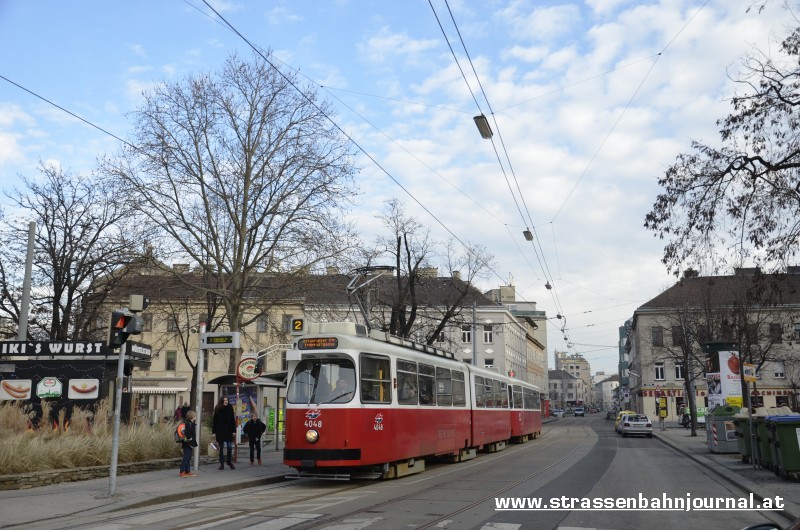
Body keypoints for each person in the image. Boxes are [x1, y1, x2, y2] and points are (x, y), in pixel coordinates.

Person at [212, 396, 237, 470]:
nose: (226, 401)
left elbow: (232, 419)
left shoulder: (230, 407)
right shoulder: (218, 408)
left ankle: (229, 462)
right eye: (224, 400)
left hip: (229, 430)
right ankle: (222, 463)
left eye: (227, 400)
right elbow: (214, 421)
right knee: (221, 448)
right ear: (221, 401)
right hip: (220, 430)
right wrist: (214, 432)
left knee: (229, 446)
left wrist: (234, 431)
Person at [179, 410, 198, 477]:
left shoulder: (192, 423)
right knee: (186, 457)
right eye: (195, 416)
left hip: (190, 443)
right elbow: (187, 433)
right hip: (187, 443)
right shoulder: (188, 424)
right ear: (191, 417)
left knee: (189, 457)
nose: (196, 417)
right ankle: (182, 471)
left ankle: (187, 471)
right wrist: (191, 439)